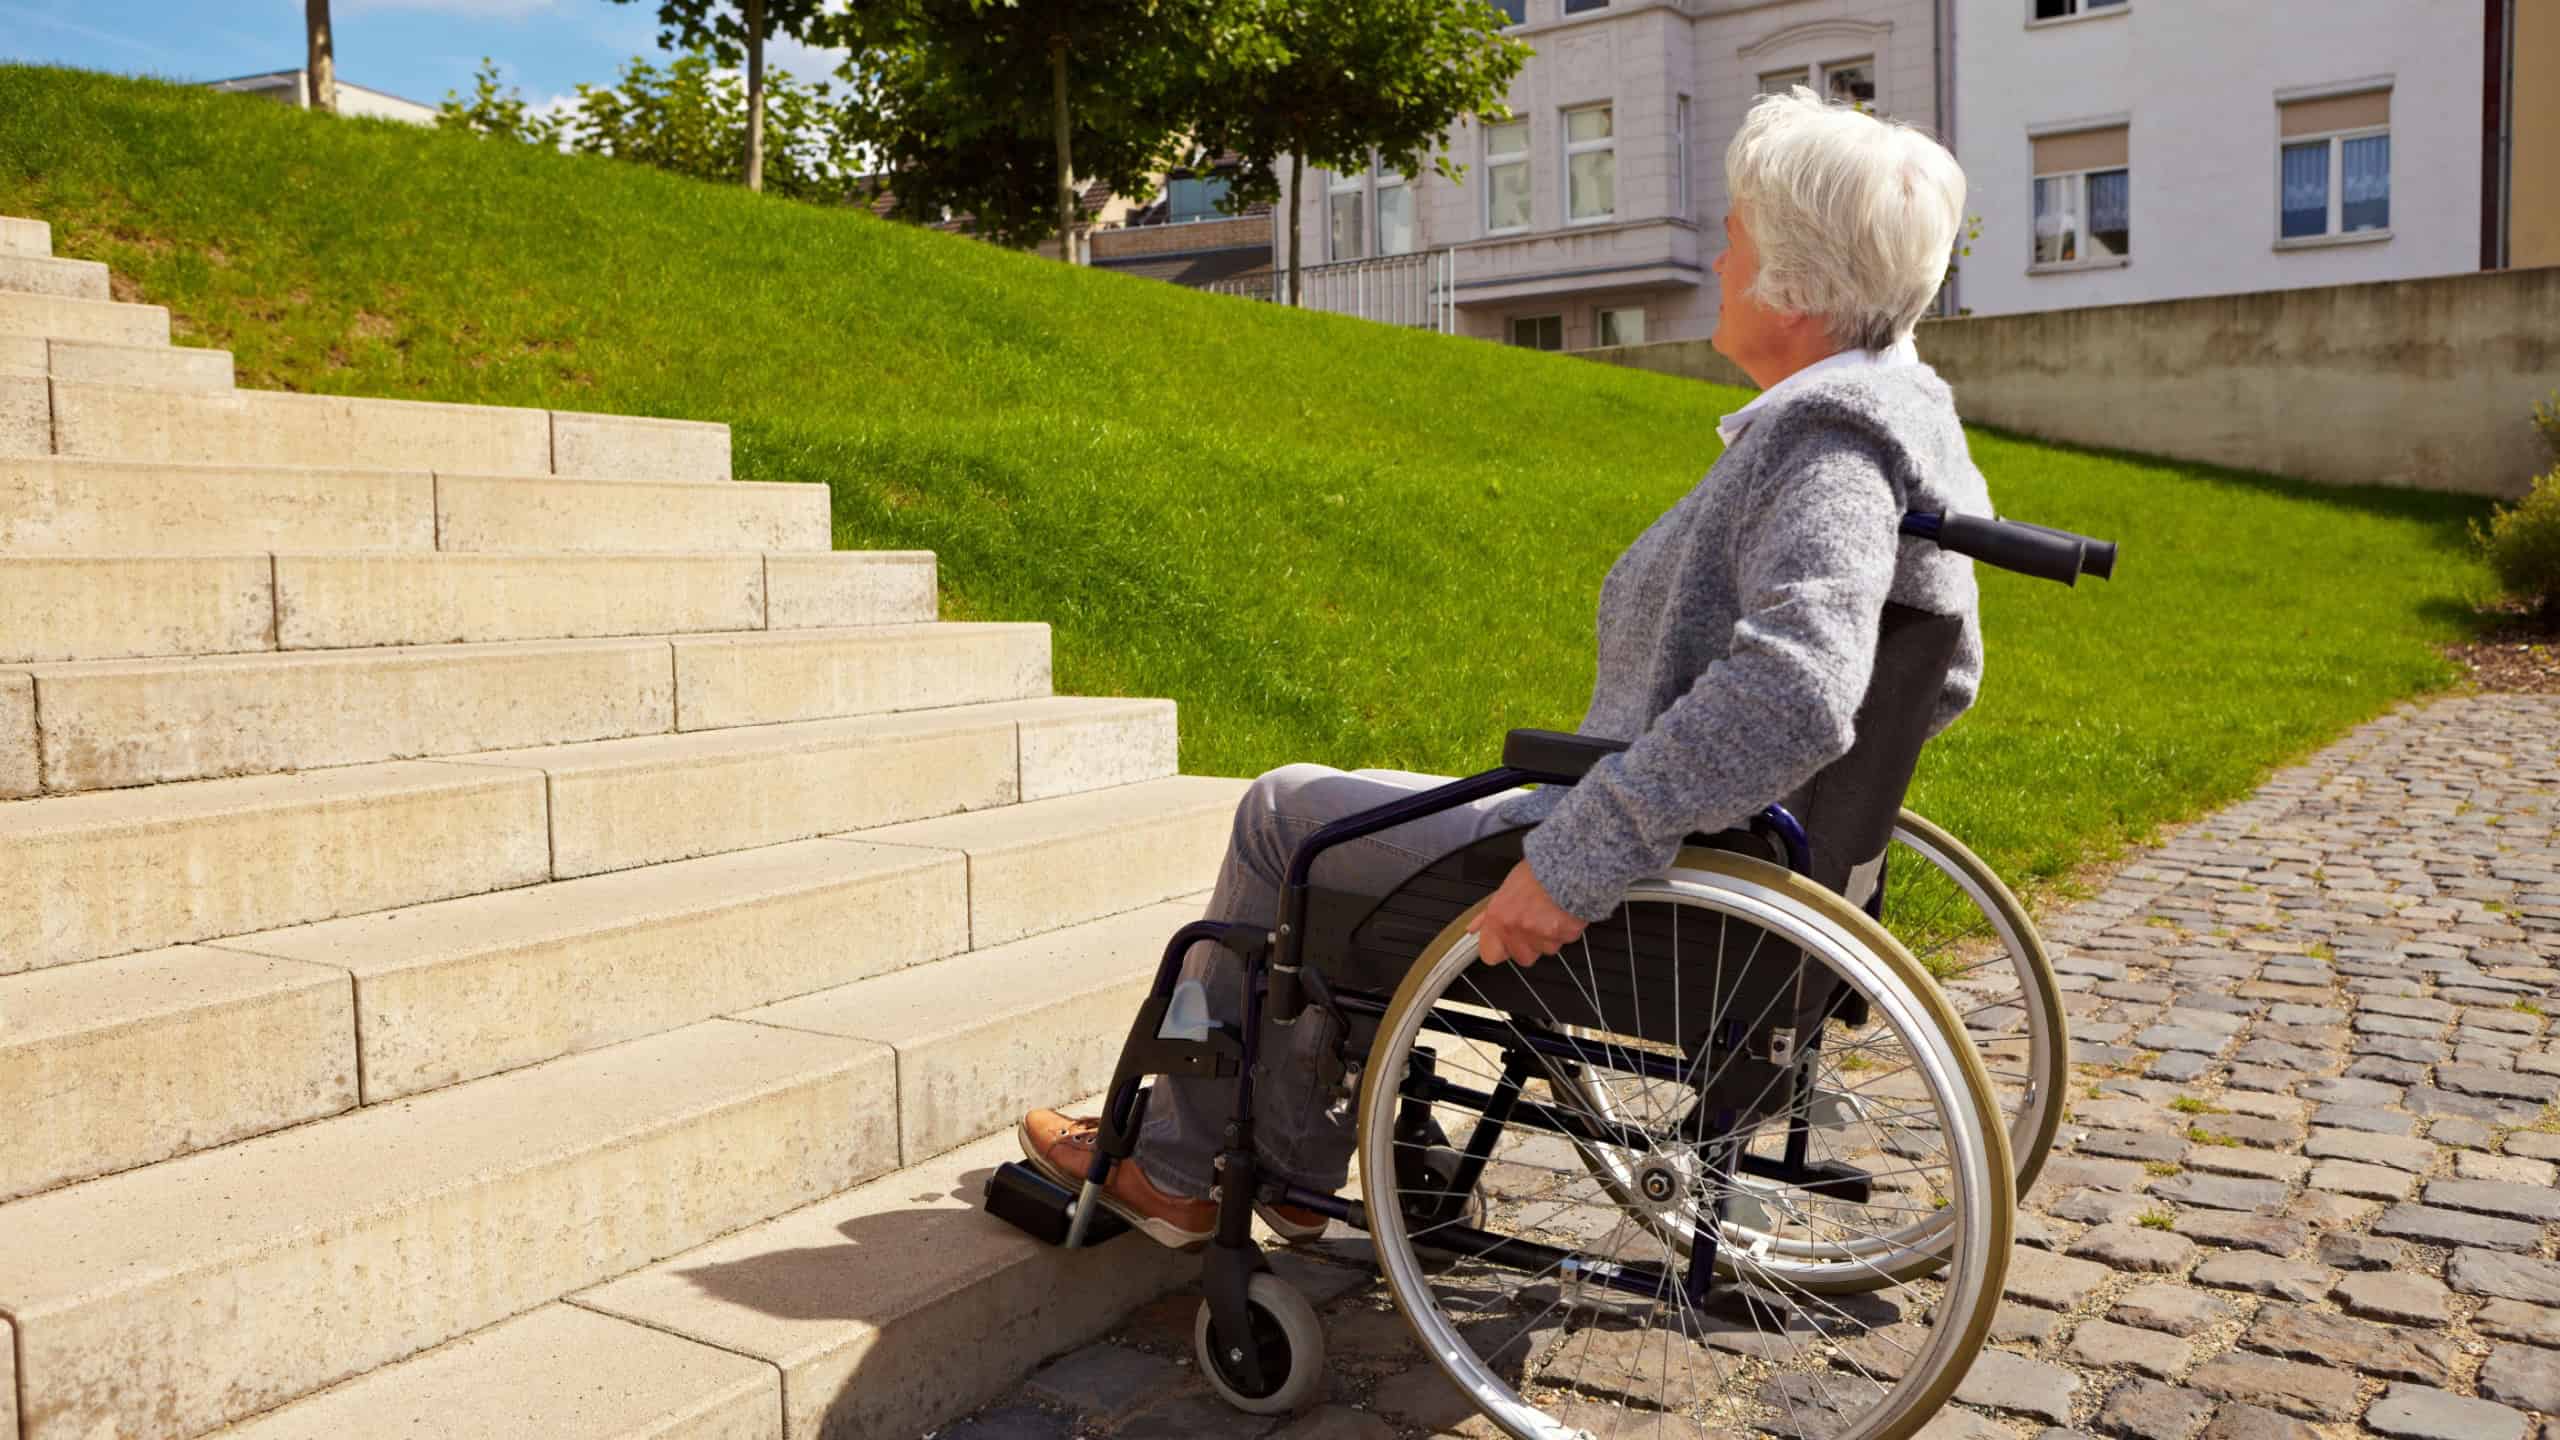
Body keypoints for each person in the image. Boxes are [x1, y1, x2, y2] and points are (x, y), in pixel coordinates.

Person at [1019, 86, 1994, 1250]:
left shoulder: (1825, 448)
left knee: (1285, 815)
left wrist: (1592, 844)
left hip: (1648, 875)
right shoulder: (1901, 431)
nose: (1723, 254)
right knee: (1357, 806)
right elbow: (1939, 678)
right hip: (1706, 848)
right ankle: (1282, 1151)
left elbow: (1797, 689)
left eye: (1736, 233)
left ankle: (1184, 1166)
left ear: (1791, 279)